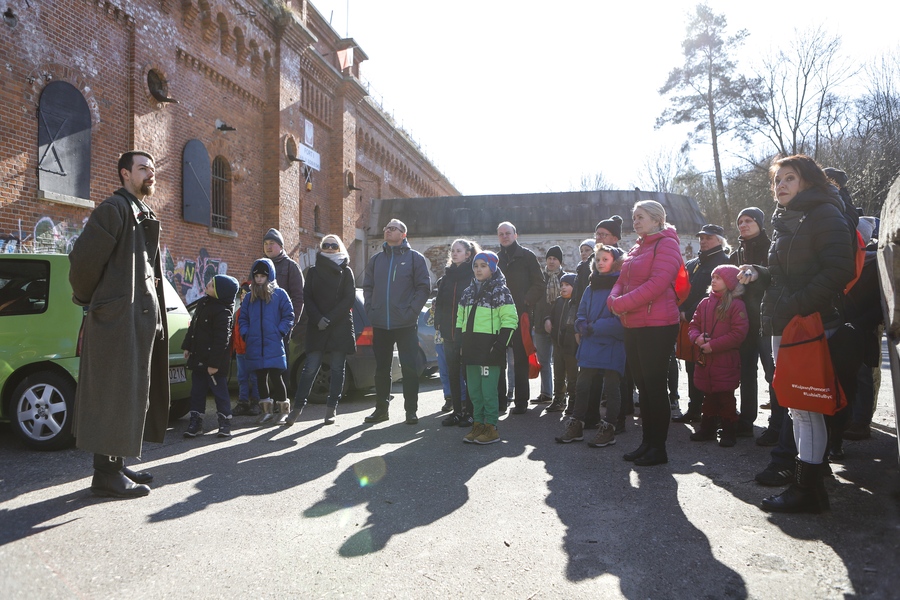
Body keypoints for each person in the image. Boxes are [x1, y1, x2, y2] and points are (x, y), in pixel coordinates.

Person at [742, 155, 855, 514]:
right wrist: (759, 271)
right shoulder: (787, 218)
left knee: (806, 410)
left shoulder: (824, 213)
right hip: (785, 323)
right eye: (777, 180)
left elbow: (839, 269)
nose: (781, 185)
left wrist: (794, 306)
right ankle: (808, 486)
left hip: (806, 324)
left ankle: (808, 490)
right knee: (798, 409)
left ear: (808, 180)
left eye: (789, 178)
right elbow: (786, 273)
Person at [68, 150, 167, 498]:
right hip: (116, 323)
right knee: (113, 394)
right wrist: (98, 303)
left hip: (134, 322)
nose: (150, 173)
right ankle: (105, 475)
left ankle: (117, 463)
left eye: (152, 169)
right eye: (142, 168)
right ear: (125, 173)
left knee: (128, 393)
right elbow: (82, 263)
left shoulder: (141, 211)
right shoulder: (114, 209)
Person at [608, 200, 682, 467]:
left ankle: (658, 448)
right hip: (634, 324)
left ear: (657, 219)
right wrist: (613, 299)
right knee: (643, 387)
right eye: (634, 217)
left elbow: (658, 283)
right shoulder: (638, 246)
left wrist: (621, 304)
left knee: (654, 387)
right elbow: (621, 279)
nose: (635, 221)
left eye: (640, 217)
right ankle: (646, 443)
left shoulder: (667, 244)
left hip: (658, 325)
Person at [363, 218, 431, 424]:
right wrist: (370, 310)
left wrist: (411, 312)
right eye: (387, 228)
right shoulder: (376, 260)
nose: (388, 230)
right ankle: (381, 410)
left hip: (405, 324)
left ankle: (411, 411)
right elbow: (368, 287)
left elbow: (423, 288)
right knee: (382, 369)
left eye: (394, 228)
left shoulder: (415, 258)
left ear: (403, 234)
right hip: (380, 323)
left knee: (409, 368)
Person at [283, 235, 356, 426]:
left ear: (339, 248)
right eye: (326, 245)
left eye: (334, 245)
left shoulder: (346, 271)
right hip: (317, 326)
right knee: (310, 368)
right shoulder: (313, 271)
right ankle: (297, 409)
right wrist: (318, 319)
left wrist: (329, 318)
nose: (330, 248)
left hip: (339, 326)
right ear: (321, 248)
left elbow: (349, 298)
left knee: (337, 368)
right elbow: (307, 296)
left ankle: (331, 409)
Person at [557, 245, 626, 447]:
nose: (600, 263)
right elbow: (581, 311)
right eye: (598, 259)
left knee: (612, 387)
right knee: (582, 385)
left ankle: (609, 428)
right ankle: (576, 424)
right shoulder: (590, 286)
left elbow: (620, 320)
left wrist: (593, 327)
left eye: (605, 259)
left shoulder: (621, 286)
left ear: (615, 262)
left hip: (611, 343)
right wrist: (580, 325)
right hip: (589, 341)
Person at [457, 251, 518, 444]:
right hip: (471, 351)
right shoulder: (467, 292)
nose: (478, 269)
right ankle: (478, 425)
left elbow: (510, 320)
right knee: (474, 392)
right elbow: (459, 320)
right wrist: (460, 344)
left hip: (490, 351)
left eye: (483, 266)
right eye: (476, 266)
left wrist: (499, 347)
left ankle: (491, 427)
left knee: (488, 392)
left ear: (492, 268)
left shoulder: (500, 291)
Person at [729, 207, 778, 445]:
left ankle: (778, 425)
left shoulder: (773, 248)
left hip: (768, 322)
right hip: (744, 323)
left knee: (773, 375)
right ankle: (746, 421)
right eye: (740, 221)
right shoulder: (735, 254)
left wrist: (757, 274)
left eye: (749, 220)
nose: (743, 225)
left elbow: (778, 279)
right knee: (746, 373)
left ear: (759, 223)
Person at [673, 224, 730, 424]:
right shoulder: (693, 263)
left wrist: (688, 313)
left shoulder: (724, 262)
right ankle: (695, 408)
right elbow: (682, 289)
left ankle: (716, 412)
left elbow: (715, 293)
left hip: (713, 322)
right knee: (692, 366)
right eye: (702, 238)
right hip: (691, 322)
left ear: (720, 240)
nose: (704, 241)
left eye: (709, 238)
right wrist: (681, 309)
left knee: (713, 368)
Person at [687, 265, 749, 447]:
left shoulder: (736, 305)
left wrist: (713, 346)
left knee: (725, 397)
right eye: (713, 277)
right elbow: (693, 325)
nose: (713, 280)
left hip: (725, 359)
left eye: (718, 278)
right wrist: (697, 338)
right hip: (706, 359)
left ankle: (729, 431)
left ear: (729, 282)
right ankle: (707, 428)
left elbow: (738, 333)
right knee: (709, 395)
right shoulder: (704, 303)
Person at [182, 274, 240, 438]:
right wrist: (187, 346)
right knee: (197, 391)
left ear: (222, 292)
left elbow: (222, 341)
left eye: (213, 285)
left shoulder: (223, 312)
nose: (208, 285)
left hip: (215, 362)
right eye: (209, 282)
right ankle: (196, 422)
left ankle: (225, 422)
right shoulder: (203, 303)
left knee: (220, 393)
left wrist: (214, 364)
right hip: (198, 356)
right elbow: (193, 327)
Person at [496, 222, 544, 415]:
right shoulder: (495, 259)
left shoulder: (527, 256)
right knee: (498, 359)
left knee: (521, 359)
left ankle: (521, 402)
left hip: (520, 315)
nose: (505, 236)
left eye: (508, 233)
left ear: (515, 235)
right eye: (501, 234)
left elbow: (539, 284)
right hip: (498, 316)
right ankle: (500, 401)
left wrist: (525, 301)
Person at [240, 258, 295, 425]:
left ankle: (283, 410)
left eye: (262, 276)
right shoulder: (250, 297)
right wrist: (246, 333)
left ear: (269, 276)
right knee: (260, 377)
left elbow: (289, 315)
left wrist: (280, 331)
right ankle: (266, 411)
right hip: (255, 343)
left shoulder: (280, 294)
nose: (259, 279)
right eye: (256, 276)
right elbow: (243, 318)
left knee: (276, 376)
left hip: (273, 342)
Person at [434, 239, 480, 427]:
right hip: (448, 333)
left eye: (459, 251)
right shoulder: (447, 276)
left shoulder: (473, 275)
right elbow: (439, 302)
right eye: (452, 250)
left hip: (467, 333)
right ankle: (457, 411)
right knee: (452, 372)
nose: (454, 253)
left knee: (468, 373)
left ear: (468, 254)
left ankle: (470, 412)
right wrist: (438, 323)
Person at [262, 228, 304, 378]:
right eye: (266, 243)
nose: (268, 247)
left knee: (280, 369)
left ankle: (282, 393)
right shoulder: (260, 266)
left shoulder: (291, 267)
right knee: (260, 369)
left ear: (280, 246)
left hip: (280, 327)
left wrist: (289, 325)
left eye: (272, 243)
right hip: (260, 326)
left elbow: (298, 298)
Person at [532, 245, 566, 409]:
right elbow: (536, 302)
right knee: (544, 361)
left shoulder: (566, 279)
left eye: (555, 259)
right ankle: (546, 393)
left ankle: (562, 394)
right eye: (549, 258)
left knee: (562, 362)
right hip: (540, 325)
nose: (551, 261)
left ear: (560, 261)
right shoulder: (540, 278)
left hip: (559, 326)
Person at [545, 272, 580, 415]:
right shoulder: (558, 301)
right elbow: (551, 315)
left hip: (571, 346)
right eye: (562, 285)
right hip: (558, 345)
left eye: (567, 285)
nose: (563, 288)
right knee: (558, 374)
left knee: (572, 376)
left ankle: (573, 401)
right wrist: (547, 319)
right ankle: (559, 399)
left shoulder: (577, 302)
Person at [232, 282, 261, 416]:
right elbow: (235, 331)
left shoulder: (254, 310)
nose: (243, 296)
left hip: (252, 350)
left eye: (246, 293)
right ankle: (243, 402)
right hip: (240, 351)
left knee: (254, 377)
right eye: (242, 294)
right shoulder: (238, 311)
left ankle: (256, 402)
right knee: (242, 377)